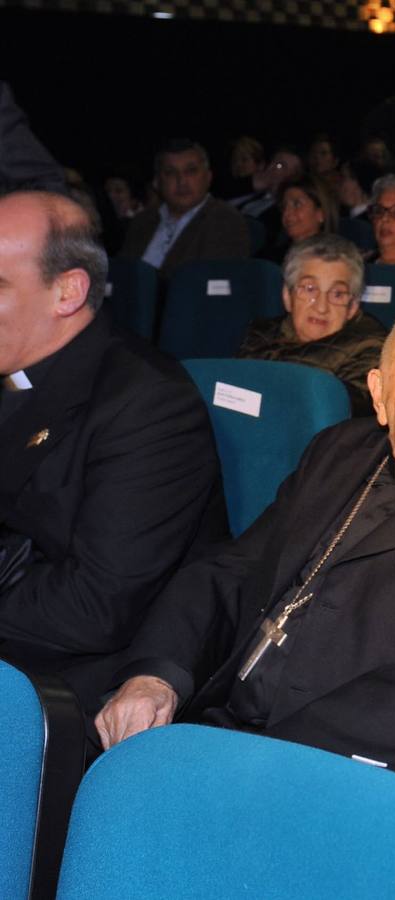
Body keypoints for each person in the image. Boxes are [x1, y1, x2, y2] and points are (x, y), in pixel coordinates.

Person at [95, 283, 395, 776]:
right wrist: (157, 676)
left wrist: (273, 756)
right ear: (379, 393)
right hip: (214, 719)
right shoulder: (339, 451)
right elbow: (234, 570)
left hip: (340, 766)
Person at [0, 191, 227, 712]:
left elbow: (95, 605)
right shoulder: (17, 369)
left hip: (88, 671)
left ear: (68, 292)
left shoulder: (148, 402)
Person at [238, 235, 386, 416]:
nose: (321, 307)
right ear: (287, 296)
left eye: (337, 294)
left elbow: (340, 417)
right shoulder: (260, 334)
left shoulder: (370, 347)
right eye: (309, 289)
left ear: (353, 306)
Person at [119, 138, 249, 276]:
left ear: (208, 177)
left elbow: (210, 285)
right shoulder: (142, 221)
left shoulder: (225, 220)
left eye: (191, 171)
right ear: (157, 182)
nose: (181, 181)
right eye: (170, 172)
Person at [260, 174, 338, 264]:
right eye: (284, 206)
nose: (287, 213)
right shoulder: (270, 257)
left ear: (321, 214)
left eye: (297, 204)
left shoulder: (334, 258)